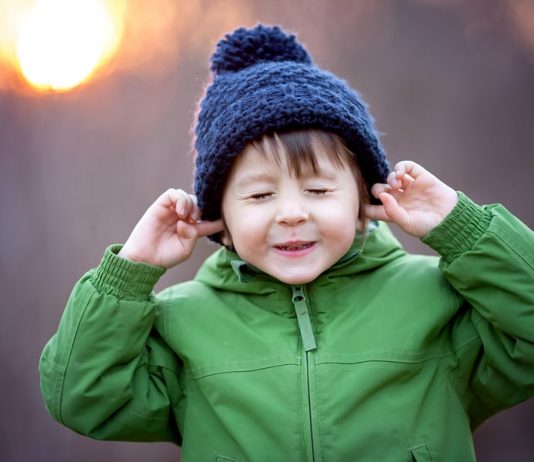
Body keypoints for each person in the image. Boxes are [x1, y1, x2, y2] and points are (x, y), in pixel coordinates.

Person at [40, 24, 534, 461]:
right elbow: (81, 397)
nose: (293, 212)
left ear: (365, 196)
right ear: (220, 219)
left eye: (318, 190)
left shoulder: (440, 302)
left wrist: (462, 229)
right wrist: (130, 272)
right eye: (259, 194)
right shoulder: (180, 324)